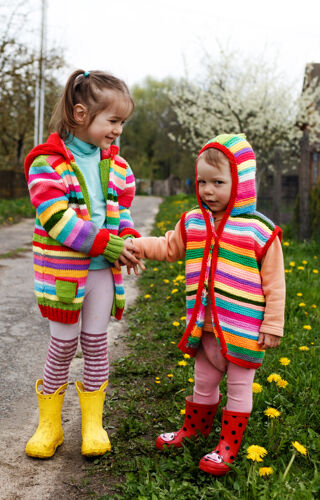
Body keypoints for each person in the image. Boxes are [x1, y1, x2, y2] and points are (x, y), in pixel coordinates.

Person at [129, 134, 285, 476]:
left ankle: (228, 444)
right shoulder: (193, 222)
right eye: (201, 182)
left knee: (240, 387)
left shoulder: (258, 231)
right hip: (206, 328)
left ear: (241, 183)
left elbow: (275, 282)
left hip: (243, 331)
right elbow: (169, 247)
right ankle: (195, 429)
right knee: (203, 380)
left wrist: (272, 324)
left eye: (218, 182)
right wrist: (139, 245)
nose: (208, 190)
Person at [23, 69, 145, 459]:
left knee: (95, 344)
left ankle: (93, 424)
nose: (118, 131)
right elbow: (56, 219)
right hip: (63, 274)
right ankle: (49, 426)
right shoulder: (46, 163)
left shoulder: (119, 167)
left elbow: (119, 213)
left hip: (101, 276)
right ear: (80, 114)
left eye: (122, 123)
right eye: (112, 121)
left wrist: (128, 241)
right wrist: (109, 245)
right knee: (62, 345)